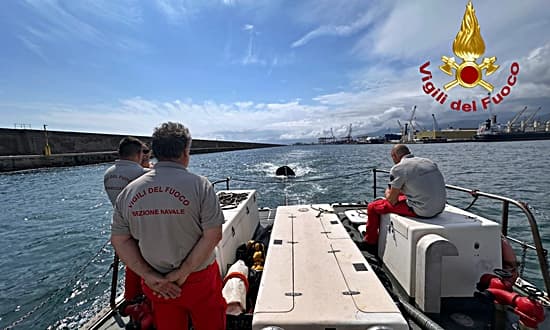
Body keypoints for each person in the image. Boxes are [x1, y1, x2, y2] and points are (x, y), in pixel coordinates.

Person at [111, 122, 226, 330]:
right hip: (199, 280)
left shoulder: (128, 192)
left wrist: (149, 276)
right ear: (185, 151)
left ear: (155, 153)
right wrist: (183, 272)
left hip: (157, 285)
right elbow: (213, 235)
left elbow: (120, 240)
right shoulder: (201, 186)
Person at [362, 144, 446, 250]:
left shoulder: (398, 168)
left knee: (372, 207)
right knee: (400, 196)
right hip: (439, 208)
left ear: (394, 156)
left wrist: (387, 191)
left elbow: (392, 201)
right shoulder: (428, 162)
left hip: (423, 211)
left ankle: (370, 242)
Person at [104, 136, 150, 301]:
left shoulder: (108, 173)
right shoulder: (142, 174)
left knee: (132, 263)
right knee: (148, 264)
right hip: (142, 228)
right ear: (138, 154)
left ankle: (131, 296)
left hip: (121, 228)